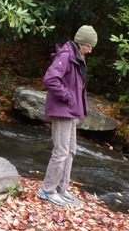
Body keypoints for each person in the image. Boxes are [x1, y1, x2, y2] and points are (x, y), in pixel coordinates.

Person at [38, 25, 98, 207]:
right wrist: (68, 97)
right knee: (61, 151)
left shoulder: (78, 57)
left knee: (71, 150)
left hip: (71, 112)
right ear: (82, 42)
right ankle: (47, 190)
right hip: (62, 110)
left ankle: (61, 188)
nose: (91, 49)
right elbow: (50, 79)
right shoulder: (65, 56)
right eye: (89, 45)